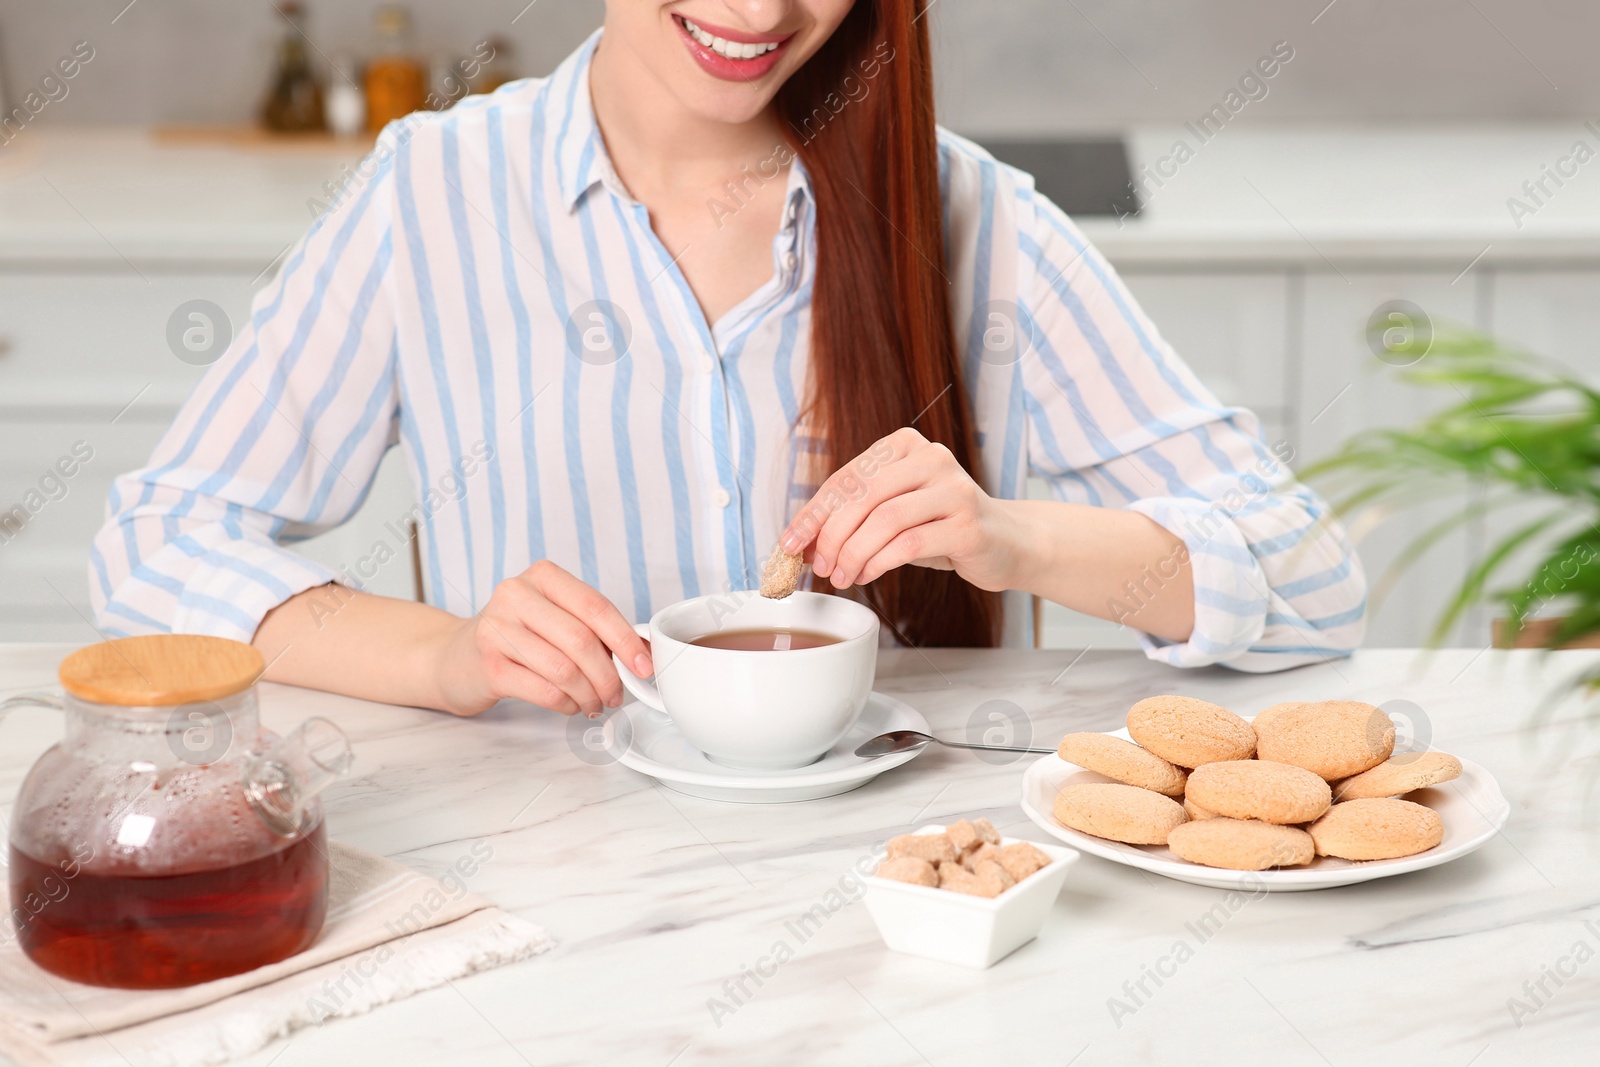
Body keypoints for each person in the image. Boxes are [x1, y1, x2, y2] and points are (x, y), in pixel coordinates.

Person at [91, 1, 1366, 720]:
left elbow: (1310, 577)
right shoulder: (432, 196)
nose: (760, 15)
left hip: (906, 912)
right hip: (553, 900)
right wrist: (442, 654)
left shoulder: (971, 218)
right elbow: (155, 545)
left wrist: (1012, 540)